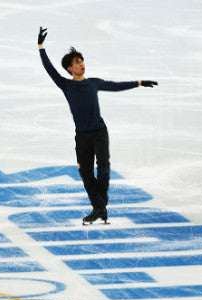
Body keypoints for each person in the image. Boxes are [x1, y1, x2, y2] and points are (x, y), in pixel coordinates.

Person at [37, 26, 157, 224]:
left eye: (82, 61)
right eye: (77, 62)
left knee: (103, 166)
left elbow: (115, 85)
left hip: (99, 132)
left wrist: (139, 82)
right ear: (70, 69)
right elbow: (49, 68)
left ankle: (99, 206)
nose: (82, 64)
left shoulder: (93, 83)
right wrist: (41, 46)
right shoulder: (66, 85)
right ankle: (100, 207)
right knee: (84, 172)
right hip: (82, 136)